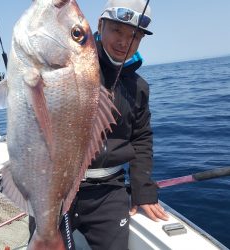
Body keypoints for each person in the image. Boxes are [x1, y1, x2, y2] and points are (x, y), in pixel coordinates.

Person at [29, 0, 169, 249]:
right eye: (117, 30)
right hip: (56, 187)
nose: (124, 42)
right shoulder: (70, 64)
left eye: (134, 36)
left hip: (109, 191)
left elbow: (142, 137)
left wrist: (143, 188)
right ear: (100, 25)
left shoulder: (139, 88)